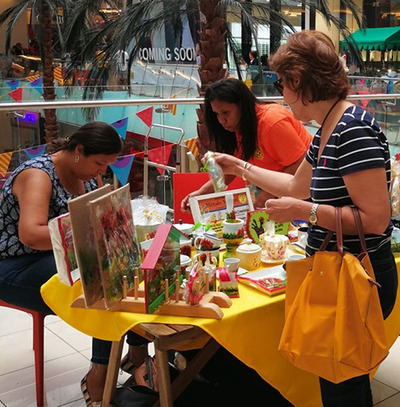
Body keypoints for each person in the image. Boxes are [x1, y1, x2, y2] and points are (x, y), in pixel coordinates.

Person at [210, 30, 398, 407]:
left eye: (282, 84)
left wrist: (304, 212)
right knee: (338, 377)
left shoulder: (351, 129)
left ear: (298, 82)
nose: (281, 94)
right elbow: (296, 184)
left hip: (359, 272)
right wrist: (241, 167)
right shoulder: (328, 127)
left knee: (343, 382)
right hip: (334, 268)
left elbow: (375, 219)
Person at [0, 122, 148, 405]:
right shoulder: (38, 175)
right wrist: (91, 230)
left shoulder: (87, 176)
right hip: (14, 266)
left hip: (55, 259)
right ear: (78, 151)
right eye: (99, 163)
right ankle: (99, 377)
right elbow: (30, 235)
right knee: (101, 282)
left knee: (129, 265)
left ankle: (138, 352)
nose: (102, 171)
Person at [181, 78, 312, 209]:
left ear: (242, 106)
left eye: (226, 113)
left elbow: (299, 165)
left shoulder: (272, 123)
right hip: (283, 192)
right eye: (217, 114)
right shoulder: (238, 128)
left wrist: (265, 197)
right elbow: (231, 170)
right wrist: (199, 194)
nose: (221, 120)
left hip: (311, 191)